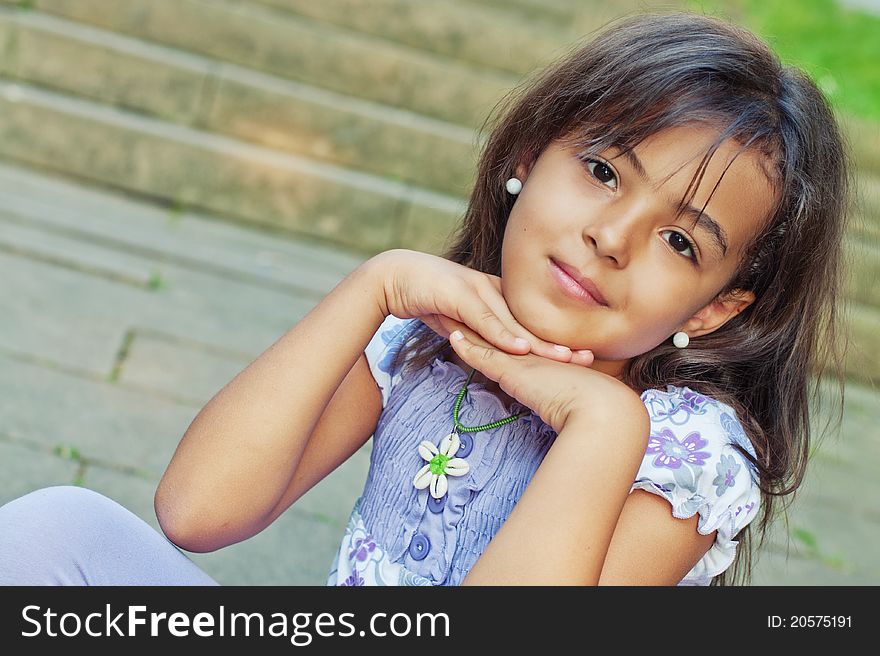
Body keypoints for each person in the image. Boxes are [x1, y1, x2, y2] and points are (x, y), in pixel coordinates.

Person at [0, 10, 851, 586]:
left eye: (679, 240)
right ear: (525, 155)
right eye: (601, 172)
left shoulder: (688, 458)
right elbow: (197, 510)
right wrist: (377, 285)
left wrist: (603, 421)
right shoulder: (426, 338)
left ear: (714, 308)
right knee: (60, 529)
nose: (612, 237)